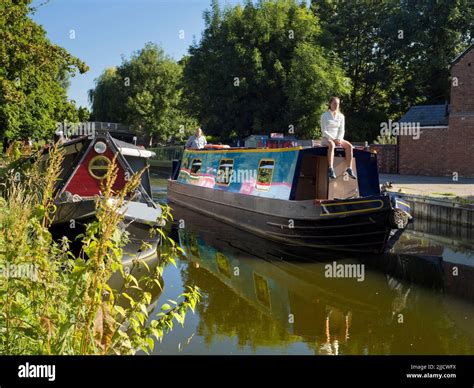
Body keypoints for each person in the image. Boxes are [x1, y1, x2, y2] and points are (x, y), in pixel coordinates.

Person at [320, 97, 356, 180]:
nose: (336, 105)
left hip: (338, 139)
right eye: (334, 103)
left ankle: (349, 168)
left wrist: (339, 139)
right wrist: (333, 139)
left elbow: (342, 130)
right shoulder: (324, 116)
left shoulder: (341, 116)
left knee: (349, 146)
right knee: (332, 145)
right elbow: (324, 131)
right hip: (327, 138)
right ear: (330, 104)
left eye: (338, 104)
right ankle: (331, 169)